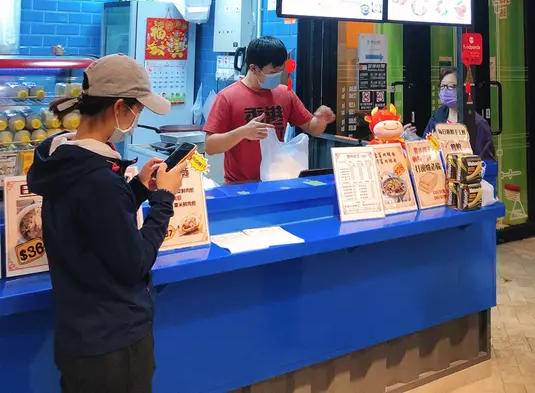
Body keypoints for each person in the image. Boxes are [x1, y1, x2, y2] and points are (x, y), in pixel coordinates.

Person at [27, 54, 185, 393]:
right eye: (137, 108)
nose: (137, 117)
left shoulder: (63, 160)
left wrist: (138, 189)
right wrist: (164, 199)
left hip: (79, 337)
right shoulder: (98, 180)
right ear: (119, 108)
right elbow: (134, 264)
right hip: (114, 344)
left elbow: (94, 224)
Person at [204, 36, 335, 183]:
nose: (277, 76)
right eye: (273, 73)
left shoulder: (285, 94)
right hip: (240, 186)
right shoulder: (227, 97)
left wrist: (321, 120)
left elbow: (312, 128)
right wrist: (242, 132)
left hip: (278, 182)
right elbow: (210, 146)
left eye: (281, 71)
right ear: (253, 68)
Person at [405, 67, 496, 161]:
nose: (445, 90)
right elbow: (426, 147)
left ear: (464, 89)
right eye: (443, 86)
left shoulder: (478, 123)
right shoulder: (437, 116)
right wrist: (410, 138)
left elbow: (487, 162)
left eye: (452, 86)